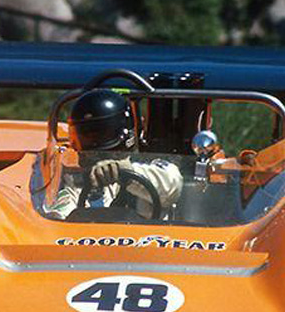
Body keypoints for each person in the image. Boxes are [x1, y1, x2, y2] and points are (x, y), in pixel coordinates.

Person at [44, 90, 183, 220]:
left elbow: (172, 187)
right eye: (85, 136)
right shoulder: (79, 180)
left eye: (100, 133)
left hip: (151, 237)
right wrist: (57, 217)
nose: (92, 142)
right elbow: (61, 211)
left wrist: (127, 171)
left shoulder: (152, 166)